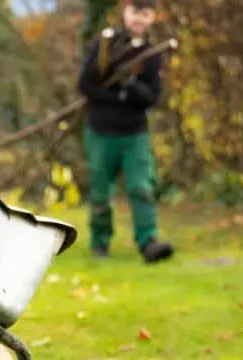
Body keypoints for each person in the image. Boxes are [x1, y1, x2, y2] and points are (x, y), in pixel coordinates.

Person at [78, 0, 174, 263]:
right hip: (100, 131)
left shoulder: (152, 53)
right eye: (135, 13)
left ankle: (148, 242)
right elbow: (86, 84)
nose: (139, 20)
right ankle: (100, 244)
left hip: (134, 134)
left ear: (152, 18)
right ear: (125, 12)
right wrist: (119, 95)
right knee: (100, 192)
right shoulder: (106, 44)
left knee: (141, 186)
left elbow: (151, 97)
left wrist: (128, 88)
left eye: (145, 14)